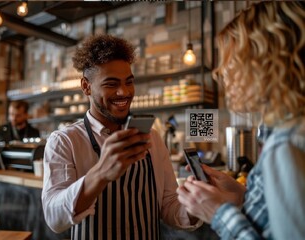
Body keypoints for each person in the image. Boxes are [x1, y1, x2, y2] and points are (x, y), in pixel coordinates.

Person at [42, 34, 201, 239]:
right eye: (111, 84)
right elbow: (54, 218)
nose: (123, 92)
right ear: (86, 86)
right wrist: (100, 174)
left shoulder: (152, 138)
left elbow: (169, 204)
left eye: (129, 82)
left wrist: (196, 204)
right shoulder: (65, 141)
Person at [177, 2, 305, 239]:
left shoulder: (286, 144)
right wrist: (241, 195)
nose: (221, 72)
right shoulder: (287, 128)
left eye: (231, 59)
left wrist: (217, 212)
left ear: (266, 63)